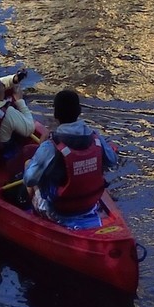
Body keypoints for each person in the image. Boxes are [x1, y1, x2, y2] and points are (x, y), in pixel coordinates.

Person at [23, 89, 117, 229]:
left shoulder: (50, 145)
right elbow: (112, 161)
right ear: (79, 111)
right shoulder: (95, 138)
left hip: (59, 211)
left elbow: (29, 179)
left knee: (28, 164)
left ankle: (33, 215)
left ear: (55, 114)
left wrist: (41, 148)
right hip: (89, 205)